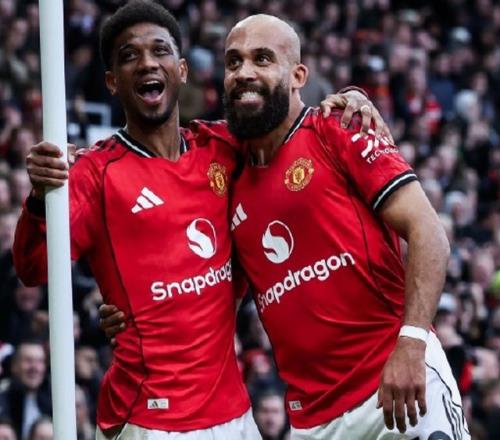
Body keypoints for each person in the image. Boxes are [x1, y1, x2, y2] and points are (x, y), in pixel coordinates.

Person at [12, 1, 383, 439]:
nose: (147, 63)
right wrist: (41, 197)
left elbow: (283, 119)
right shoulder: (94, 173)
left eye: (160, 50)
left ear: (182, 70)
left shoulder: (223, 146)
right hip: (148, 419)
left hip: (234, 416)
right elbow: (34, 267)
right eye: (129, 56)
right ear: (112, 81)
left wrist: (349, 99)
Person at [223, 14, 470, 439]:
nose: (244, 72)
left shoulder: (339, 127)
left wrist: (412, 343)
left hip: (395, 383)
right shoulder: (225, 174)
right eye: (233, 62)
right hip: (312, 421)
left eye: (262, 59)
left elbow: (429, 233)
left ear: (298, 76)